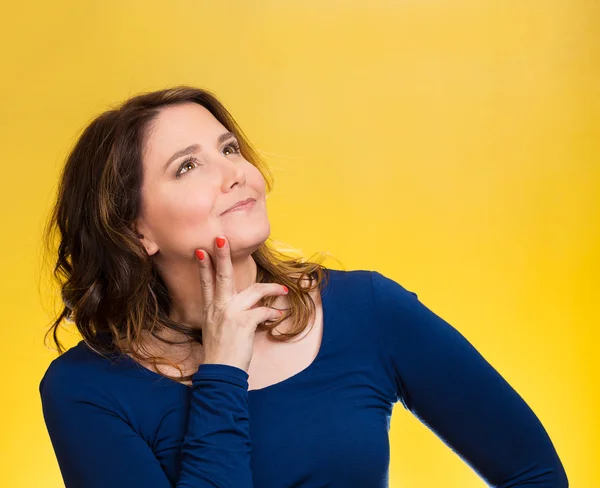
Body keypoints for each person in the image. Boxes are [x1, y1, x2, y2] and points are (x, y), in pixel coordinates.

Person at [39, 85, 568, 488]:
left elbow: (536, 474)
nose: (233, 174)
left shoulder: (367, 310)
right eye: (188, 166)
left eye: (228, 149)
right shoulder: (84, 390)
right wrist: (223, 372)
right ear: (135, 229)